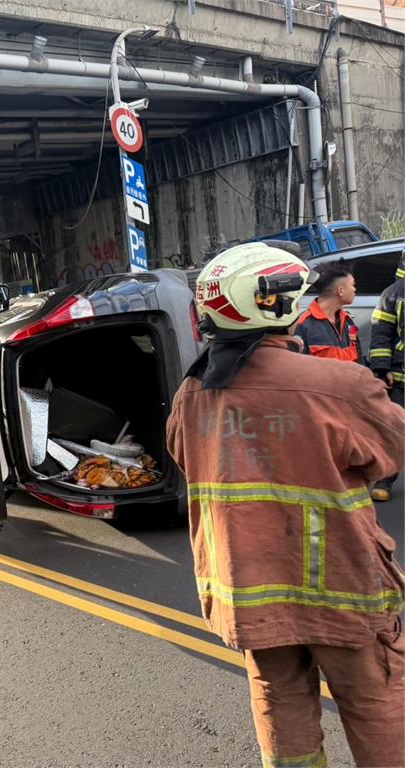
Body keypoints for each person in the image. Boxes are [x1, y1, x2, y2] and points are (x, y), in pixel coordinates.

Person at [165, 243, 405, 768]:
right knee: (376, 703)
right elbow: (391, 452)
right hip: (343, 589)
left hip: (249, 591)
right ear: (274, 304)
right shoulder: (340, 386)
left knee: (279, 703)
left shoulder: (193, 393)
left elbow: (185, 458)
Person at [368, 250, 405, 502]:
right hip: (401, 377)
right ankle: (385, 479)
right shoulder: (392, 294)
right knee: (394, 431)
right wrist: (382, 369)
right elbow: (381, 334)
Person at [295, 261, 361, 363]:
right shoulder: (303, 324)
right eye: (353, 285)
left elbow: (358, 358)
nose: (354, 289)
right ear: (341, 291)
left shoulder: (349, 322)